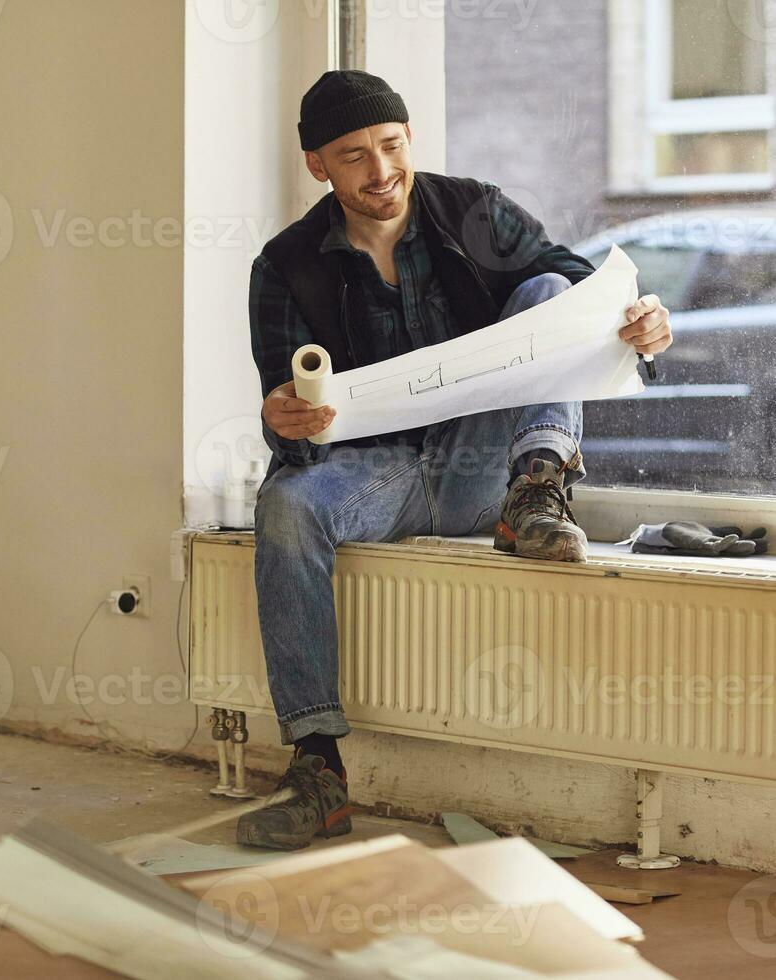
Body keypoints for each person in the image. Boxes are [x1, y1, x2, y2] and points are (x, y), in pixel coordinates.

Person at [237, 70, 674, 851]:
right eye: (354, 156)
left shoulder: (473, 210)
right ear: (318, 166)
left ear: (408, 140)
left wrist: (638, 321)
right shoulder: (285, 265)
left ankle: (538, 495)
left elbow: (579, 294)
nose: (381, 172)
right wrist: (281, 418)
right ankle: (317, 769)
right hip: (382, 476)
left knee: (544, 288)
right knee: (286, 506)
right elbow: (289, 423)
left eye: (392, 145)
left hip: (487, 464)